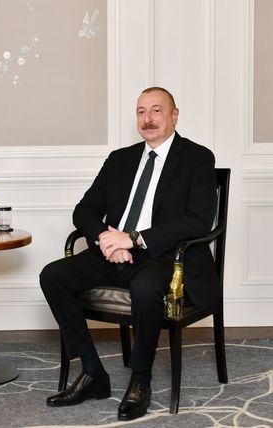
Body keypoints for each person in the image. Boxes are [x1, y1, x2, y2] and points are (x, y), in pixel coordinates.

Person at [40, 87, 218, 421]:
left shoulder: (197, 158)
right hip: (114, 252)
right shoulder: (120, 159)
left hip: (165, 255)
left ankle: (140, 379)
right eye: (141, 111)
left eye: (156, 110)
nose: (147, 119)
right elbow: (85, 210)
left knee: (145, 289)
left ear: (174, 115)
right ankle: (92, 372)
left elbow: (198, 221)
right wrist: (106, 240)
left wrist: (134, 239)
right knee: (53, 275)